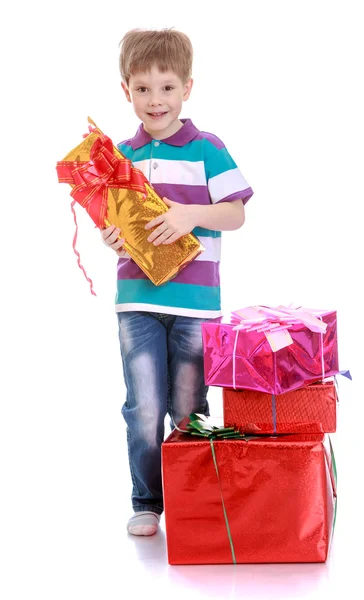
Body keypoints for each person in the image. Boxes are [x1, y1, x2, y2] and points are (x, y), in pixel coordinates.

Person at [101, 28, 253, 536]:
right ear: (126, 91)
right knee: (143, 405)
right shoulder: (120, 157)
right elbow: (117, 224)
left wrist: (190, 214)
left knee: (188, 407)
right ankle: (147, 502)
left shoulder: (207, 148)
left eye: (166, 87)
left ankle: (194, 498)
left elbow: (235, 215)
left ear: (187, 87)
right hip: (137, 300)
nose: (155, 100)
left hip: (196, 305)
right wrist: (113, 237)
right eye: (143, 89)